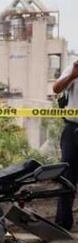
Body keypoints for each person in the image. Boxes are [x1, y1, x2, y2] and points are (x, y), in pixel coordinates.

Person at [52, 56, 78, 230]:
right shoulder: (74, 67)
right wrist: (73, 75)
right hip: (73, 129)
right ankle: (63, 223)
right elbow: (56, 88)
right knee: (67, 176)